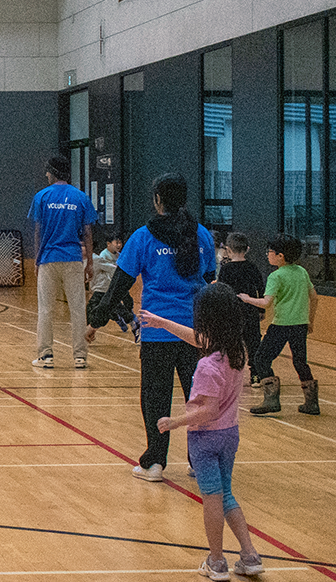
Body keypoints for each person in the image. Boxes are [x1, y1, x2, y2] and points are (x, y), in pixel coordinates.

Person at [90, 173, 216, 482]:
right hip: (195, 332)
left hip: (157, 330)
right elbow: (211, 281)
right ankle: (199, 462)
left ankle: (155, 463)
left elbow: (119, 285)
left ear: (157, 199)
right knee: (198, 398)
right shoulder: (202, 236)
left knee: (156, 398)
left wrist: (96, 320)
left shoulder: (143, 237)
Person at [138, 283, 266, 580]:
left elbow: (207, 411)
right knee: (226, 496)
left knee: (211, 499)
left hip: (205, 439)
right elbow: (199, 340)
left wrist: (174, 422)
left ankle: (217, 561)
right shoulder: (236, 353)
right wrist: (162, 323)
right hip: (229, 435)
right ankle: (249, 555)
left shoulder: (209, 366)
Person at [28, 156, 98, 369]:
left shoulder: (42, 196)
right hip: (73, 258)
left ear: (52, 171)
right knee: (78, 309)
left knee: (45, 309)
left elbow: (38, 231)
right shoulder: (80, 197)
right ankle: (80, 357)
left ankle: (46, 356)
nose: (46, 175)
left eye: (47, 171)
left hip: (48, 259)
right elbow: (87, 232)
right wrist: (91, 262)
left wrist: (37, 259)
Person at [239, 234, 319, 415]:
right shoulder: (302, 272)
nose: (267, 255)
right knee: (300, 362)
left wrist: (247, 299)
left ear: (280, 256)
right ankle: (312, 403)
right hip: (300, 325)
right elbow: (314, 297)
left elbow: (266, 303)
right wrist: (310, 321)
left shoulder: (276, 276)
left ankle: (271, 400)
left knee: (261, 359)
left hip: (282, 325)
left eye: (270, 252)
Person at [215, 232, 265, 378]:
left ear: (228, 250)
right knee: (253, 343)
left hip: (232, 313)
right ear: (247, 249)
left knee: (230, 343)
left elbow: (221, 290)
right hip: (250, 311)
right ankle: (256, 374)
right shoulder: (252, 267)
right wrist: (261, 309)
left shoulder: (226, 269)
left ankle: (230, 374)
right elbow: (260, 289)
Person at [84, 232, 135, 343]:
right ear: (108, 244)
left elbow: (114, 269)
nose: (118, 245)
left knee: (119, 305)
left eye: (120, 242)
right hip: (102, 288)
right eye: (116, 242)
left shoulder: (110, 257)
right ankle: (125, 320)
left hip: (110, 287)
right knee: (105, 308)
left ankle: (131, 321)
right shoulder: (102, 255)